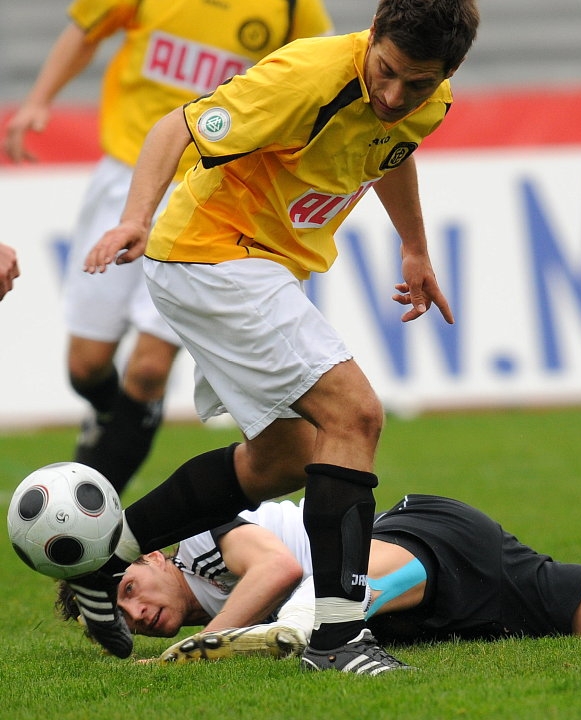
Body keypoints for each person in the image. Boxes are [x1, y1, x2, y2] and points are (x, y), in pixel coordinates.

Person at [71, 0, 480, 674]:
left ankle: (103, 558)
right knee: (355, 414)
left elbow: (391, 151)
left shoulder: (427, 101)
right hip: (212, 253)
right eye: (385, 72)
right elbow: (175, 126)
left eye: (417, 83)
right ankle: (338, 638)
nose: (393, 95)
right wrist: (136, 218)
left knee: (284, 459)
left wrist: (414, 247)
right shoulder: (307, 76)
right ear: (373, 36)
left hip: (259, 266)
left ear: (446, 73)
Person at [1, 0, 333, 495]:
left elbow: (324, 74)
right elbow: (85, 30)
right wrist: (38, 100)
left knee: (149, 369)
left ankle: (90, 513)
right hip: (127, 177)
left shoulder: (291, 6)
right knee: (85, 367)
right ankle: (114, 420)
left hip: (210, 192)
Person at [57, 494, 581, 667]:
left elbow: (279, 565)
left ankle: (318, 626)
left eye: (126, 591)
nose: (136, 614)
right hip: (451, 603)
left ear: (151, 557)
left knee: (335, 596)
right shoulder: (204, 599)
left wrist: (199, 647)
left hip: (418, 543)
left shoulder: (202, 538)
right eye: (120, 620)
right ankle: (324, 625)